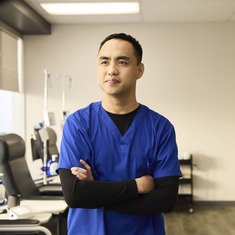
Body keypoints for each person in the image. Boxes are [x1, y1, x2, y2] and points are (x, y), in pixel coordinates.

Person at [57, 33, 182, 235]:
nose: (111, 70)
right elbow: (74, 196)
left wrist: (97, 193)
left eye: (122, 62)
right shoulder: (79, 124)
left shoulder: (160, 127)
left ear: (139, 70)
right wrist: (138, 186)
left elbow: (166, 200)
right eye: (104, 62)